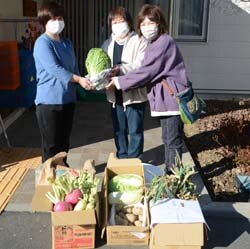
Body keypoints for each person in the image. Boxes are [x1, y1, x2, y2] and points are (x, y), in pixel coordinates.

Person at [106, 4, 189, 173]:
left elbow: (146, 71)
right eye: (143, 24)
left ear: (160, 23)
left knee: (172, 141)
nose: (146, 28)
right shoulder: (155, 42)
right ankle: (171, 176)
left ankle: (174, 179)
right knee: (168, 139)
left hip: (171, 99)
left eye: (151, 23)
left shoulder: (164, 42)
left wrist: (119, 81)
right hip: (164, 100)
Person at [34, 1, 92, 163]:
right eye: (53, 19)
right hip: (49, 102)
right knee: (51, 146)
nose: (57, 22)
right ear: (45, 21)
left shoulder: (67, 43)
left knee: (64, 144)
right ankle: (49, 179)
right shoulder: (42, 43)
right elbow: (54, 69)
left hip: (67, 100)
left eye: (60, 18)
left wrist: (86, 79)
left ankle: (63, 173)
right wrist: (78, 80)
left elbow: (73, 66)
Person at [101, 7, 148, 159]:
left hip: (134, 95)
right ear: (110, 24)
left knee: (135, 131)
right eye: (115, 22)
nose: (118, 25)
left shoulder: (140, 41)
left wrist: (120, 69)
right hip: (115, 96)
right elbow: (103, 69)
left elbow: (140, 66)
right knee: (119, 130)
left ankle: (134, 160)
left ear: (129, 22)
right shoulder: (107, 44)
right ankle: (122, 157)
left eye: (122, 21)